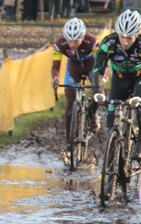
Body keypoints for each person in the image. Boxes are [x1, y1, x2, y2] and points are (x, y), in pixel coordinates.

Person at [94, 9, 141, 151]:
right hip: (119, 78)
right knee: (111, 115)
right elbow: (98, 69)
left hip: (138, 77)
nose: (125, 42)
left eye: (130, 38)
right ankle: (114, 150)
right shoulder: (109, 42)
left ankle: (139, 147)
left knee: (139, 108)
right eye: (122, 37)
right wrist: (98, 91)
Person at [51, 18, 100, 140]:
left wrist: (101, 75)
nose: (72, 44)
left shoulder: (91, 41)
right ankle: (69, 141)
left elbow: (101, 61)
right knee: (69, 102)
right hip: (73, 69)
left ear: (83, 37)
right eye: (69, 41)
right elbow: (56, 65)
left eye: (76, 41)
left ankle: (93, 114)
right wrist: (55, 78)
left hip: (90, 67)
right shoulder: (59, 44)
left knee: (98, 92)